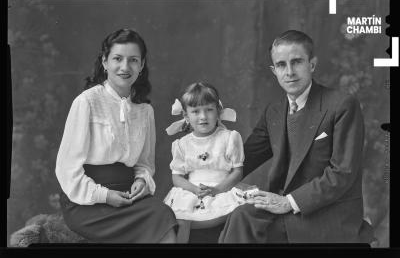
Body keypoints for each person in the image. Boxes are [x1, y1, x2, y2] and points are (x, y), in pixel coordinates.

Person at [218, 30, 374, 243]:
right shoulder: (274, 111)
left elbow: (342, 174)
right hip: (284, 207)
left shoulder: (341, 105)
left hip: (326, 213)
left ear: (312, 64)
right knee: (239, 215)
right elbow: (244, 157)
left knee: (244, 221)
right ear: (274, 71)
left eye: (297, 62)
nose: (289, 71)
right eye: (281, 65)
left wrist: (288, 202)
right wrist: (206, 171)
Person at [55, 28, 177, 243]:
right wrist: (104, 195)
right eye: (117, 59)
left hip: (127, 195)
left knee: (163, 214)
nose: (124, 67)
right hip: (87, 201)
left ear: (141, 65)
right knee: (157, 219)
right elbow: (66, 169)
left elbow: (144, 163)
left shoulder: (145, 111)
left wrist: (141, 179)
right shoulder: (87, 102)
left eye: (133, 60)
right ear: (105, 62)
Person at [164, 82, 247, 243]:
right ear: (186, 116)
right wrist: (194, 189)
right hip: (193, 189)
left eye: (209, 109)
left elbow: (237, 171)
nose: (203, 117)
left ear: (218, 112)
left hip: (222, 187)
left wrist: (216, 190)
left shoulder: (228, 138)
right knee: (181, 220)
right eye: (195, 111)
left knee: (237, 214)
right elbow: (177, 177)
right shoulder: (182, 144)